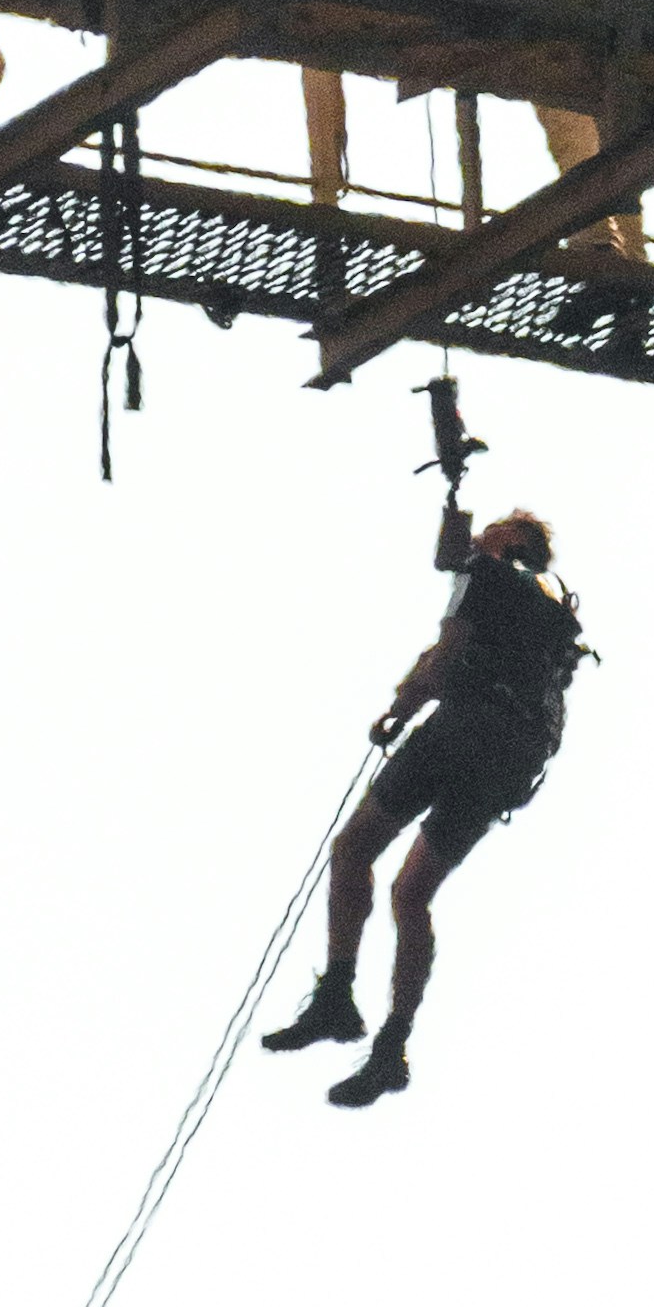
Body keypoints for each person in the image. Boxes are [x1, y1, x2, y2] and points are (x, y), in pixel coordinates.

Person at [267, 463, 582, 1109]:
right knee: (412, 894)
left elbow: (445, 651)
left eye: (494, 529)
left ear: (509, 542)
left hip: (463, 729)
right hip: (512, 759)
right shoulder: (550, 609)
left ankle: (336, 994)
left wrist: (401, 709)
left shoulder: (487, 576)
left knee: (353, 849)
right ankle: (391, 1045)